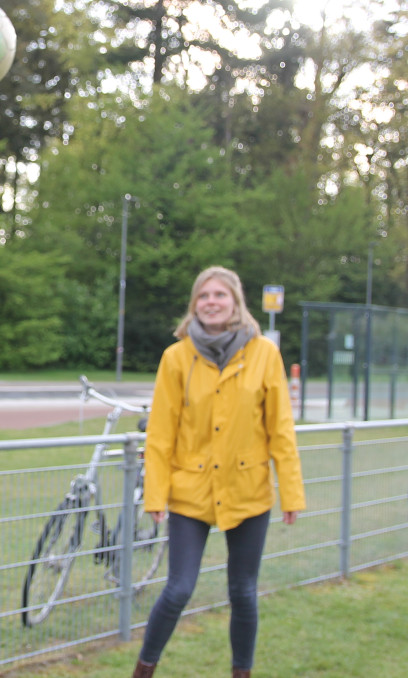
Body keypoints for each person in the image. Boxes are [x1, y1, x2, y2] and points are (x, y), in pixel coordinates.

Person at [131, 266, 305, 678]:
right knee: (178, 589)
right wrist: (155, 495)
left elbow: (280, 430)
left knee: (243, 592)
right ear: (194, 305)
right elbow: (159, 435)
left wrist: (292, 494)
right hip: (191, 491)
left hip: (249, 492)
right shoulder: (176, 358)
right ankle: (143, 670)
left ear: (236, 303)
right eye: (204, 296)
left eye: (220, 295)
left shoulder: (265, 353)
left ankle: (241, 673)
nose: (212, 302)